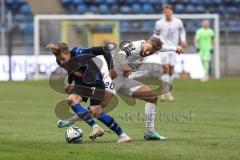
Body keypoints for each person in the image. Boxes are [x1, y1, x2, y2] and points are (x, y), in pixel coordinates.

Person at [47, 43, 131, 143]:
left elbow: (104, 50)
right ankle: (95, 127)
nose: (61, 61)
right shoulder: (59, 61)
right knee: (71, 99)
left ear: (68, 53)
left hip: (95, 82)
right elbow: (71, 69)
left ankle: (123, 136)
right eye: (58, 59)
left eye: (62, 58)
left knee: (96, 111)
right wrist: (69, 83)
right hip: (82, 84)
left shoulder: (81, 52)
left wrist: (111, 68)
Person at [153, 4, 187, 101]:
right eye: (165, 12)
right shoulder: (159, 23)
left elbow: (182, 31)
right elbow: (155, 34)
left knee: (171, 70)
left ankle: (167, 90)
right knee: (166, 68)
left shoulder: (178, 22)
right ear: (164, 13)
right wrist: (156, 43)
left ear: (171, 12)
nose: (167, 13)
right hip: (163, 48)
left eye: (169, 12)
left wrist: (183, 40)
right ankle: (166, 92)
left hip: (174, 48)